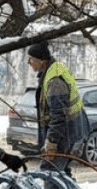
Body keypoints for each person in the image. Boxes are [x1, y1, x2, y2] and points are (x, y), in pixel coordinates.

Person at [26, 42, 89, 176]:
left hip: (64, 135)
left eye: (31, 59)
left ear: (42, 61)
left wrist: (51, 142)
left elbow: (59, 116)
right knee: (62, 174)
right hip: (69, 131)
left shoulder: (55, 82)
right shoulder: (53, 70)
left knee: (50, 173)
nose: (28, 62)